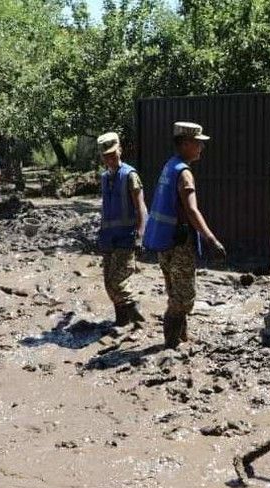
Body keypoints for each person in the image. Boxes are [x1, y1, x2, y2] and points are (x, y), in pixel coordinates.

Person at [143, 121, 226, 348]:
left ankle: (182, 337)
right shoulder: (185, 173)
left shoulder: (170, 166)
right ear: (186, 143)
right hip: (179, 242)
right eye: (198, 143)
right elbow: (191, 210)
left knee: (174, 290)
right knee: (184, 297)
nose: (201, 147)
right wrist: (211, 239)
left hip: (164, 240)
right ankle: (169, 344)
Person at [97, 132, 148, 326]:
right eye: (106, 155)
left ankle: (137, 315)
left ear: (120, 150)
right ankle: (122, 321)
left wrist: (141, 235)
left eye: (113, 153)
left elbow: (140, 206)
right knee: (108, 284)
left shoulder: (129, 175)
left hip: (127, 237)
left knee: (118, 282)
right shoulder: (104, 177)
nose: (110, 158)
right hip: (108, 238)